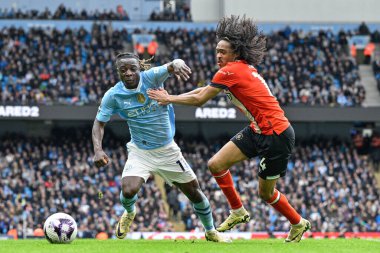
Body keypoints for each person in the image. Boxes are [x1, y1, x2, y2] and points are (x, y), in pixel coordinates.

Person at [147, 15, 311, 242]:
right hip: (258, 130)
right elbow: (202, 91)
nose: (218, 55)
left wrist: (169, 98)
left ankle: (298, 222)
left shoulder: (230, 71)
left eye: (223, 52)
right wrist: (169, 98)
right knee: (216, 164)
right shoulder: (238, 69)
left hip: (276, 134)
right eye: (217, 51)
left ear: (235, 53)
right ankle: (238, 211)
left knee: (265, 193)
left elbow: (200, 100)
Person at [92, 52, 230, 243]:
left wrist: (179, 62)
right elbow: (99, 123)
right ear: (118, 72)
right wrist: (98, 150)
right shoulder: (113, 95)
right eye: (123, 70)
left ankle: (211, 231)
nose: (129, 73)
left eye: (133, 68)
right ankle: (130, 212)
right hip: (140, 151)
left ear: (140, 67)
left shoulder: (152, 77)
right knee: (128, 189)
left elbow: (172, 65)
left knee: (194, 192)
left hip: (167, 151)